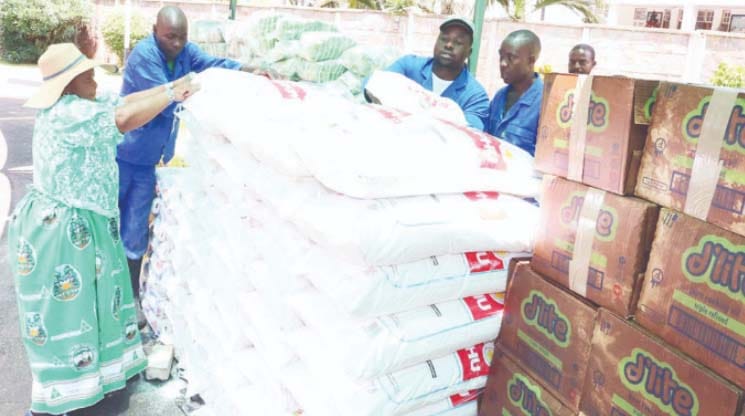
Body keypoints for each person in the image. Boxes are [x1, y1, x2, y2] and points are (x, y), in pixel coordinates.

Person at [11, 43, 198, 416]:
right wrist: (174, 92)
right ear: (68, 85)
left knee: (96, 308)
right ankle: (60, 401)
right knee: (68, 313)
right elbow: (126, 117)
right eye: (87, 76)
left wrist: (174, 85)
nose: (95, 79)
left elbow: (126, 100)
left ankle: (96, 384)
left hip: (87, 222)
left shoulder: (85, 103)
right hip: (63, 231)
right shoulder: (68, 114)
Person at [117, 5, 258, 306]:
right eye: (170, 37)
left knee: (136, 229)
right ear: (155, 31)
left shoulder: (184, 52)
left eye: (182, 38)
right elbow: (167, 99)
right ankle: (110, 295)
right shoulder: (145, 56)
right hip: (125, 155)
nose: (177, 44)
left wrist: (245, 70)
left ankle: (129, 298)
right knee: (113, 226)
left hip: (148, 159)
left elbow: (211, 64)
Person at [364, 17, 489, 130]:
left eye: (458, 42)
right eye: (444, 39)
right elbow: (373, 83)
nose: (449, 45)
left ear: (469, 52)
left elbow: (471, 133)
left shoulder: (475, 96)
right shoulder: (408, 66)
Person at [485, 29, 543, 156]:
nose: (503, 63)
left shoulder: (545, 103)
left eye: (511, 58)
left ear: (530, 61)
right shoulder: (500, 97)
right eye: (501, 56)